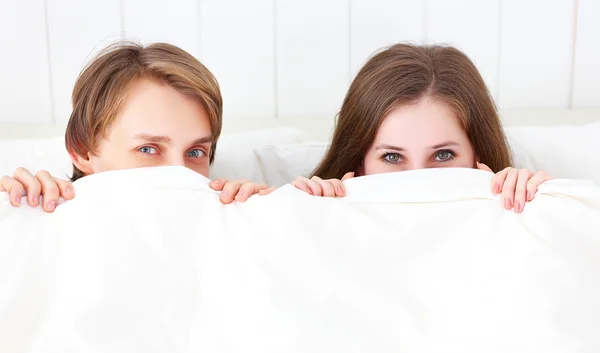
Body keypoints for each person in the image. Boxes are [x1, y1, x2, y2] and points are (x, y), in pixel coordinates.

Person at [0, 41, 270, 212]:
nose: (180, 173)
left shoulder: (230, 214)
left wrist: (259, 215)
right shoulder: (39, 216)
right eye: (148, 149)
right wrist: (19, 208)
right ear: (82, 150)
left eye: (196, 152)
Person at [291, 43, 551, 213]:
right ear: (360, 165)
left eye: (443, 155)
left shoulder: (518, 215)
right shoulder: (317, 211)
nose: (418, 179)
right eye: (392, 157)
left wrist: (544, 203)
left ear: (477, 157)